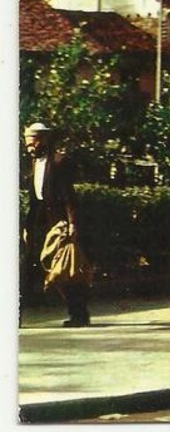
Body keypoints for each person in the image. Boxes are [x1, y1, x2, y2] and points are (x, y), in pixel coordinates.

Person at [22, 121, 91, 327]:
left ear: (43, 140)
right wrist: (27, 227)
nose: (29, 148)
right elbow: (35, 199)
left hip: (58, 224)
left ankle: (79, 315)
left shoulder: (59, 162)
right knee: (27, 268)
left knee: (64, 270)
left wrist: (72, 223)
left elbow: (69, 196)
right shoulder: (34, 163)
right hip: (39, 224)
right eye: (27, 144)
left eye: (32, 143)